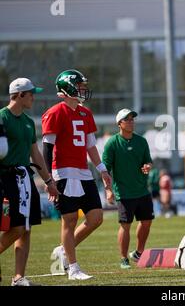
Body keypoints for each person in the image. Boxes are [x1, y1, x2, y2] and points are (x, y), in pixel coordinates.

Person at [42, 69, 112, 280]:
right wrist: (48, 178)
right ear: (68, 87)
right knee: (69, 220)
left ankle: (64, 249)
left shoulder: (85, 113)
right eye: (79, 85)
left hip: (83, 172)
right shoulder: (55, 112)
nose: (83, 89)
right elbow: (47, 148)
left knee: (96, 217)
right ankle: (73, 268)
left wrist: (102, 170)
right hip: (63, 172)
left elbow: (91, 147)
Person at [0, 78, 59, 286]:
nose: (34, 97)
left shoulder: (27, 122)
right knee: (15, 227)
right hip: (5, 178)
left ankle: (18, 278)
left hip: (25, 179)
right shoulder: (2, 118)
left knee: (25, 228)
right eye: (31, 93)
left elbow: (36, 155)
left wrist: (49, 181)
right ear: (20, 95)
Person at [102, 108, 153, 269]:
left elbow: (148, 161)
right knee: (125, 225)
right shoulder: (112, 143)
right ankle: (123, 258)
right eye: (127, 119)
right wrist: (108, 189)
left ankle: (138, 252)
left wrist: (147, 166)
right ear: (119, 123)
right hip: (123, 192)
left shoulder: (141, 141)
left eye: (132, 119)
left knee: (146, 222)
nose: (131, 122)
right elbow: (105, 169)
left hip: (142, 190)